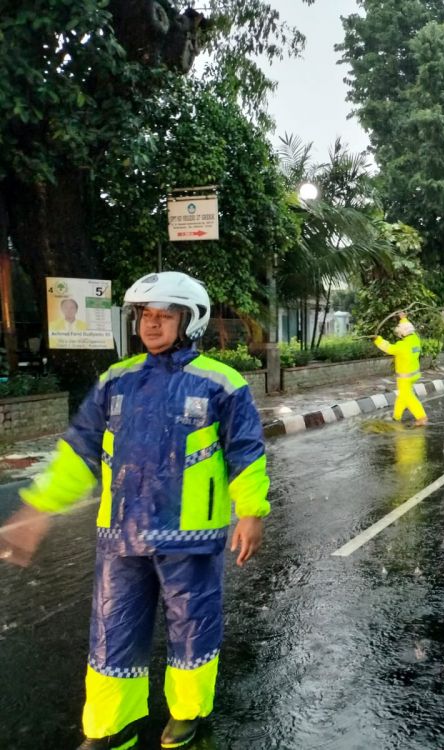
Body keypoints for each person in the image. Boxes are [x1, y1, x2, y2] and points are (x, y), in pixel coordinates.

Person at [0, 271, 270, 750]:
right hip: (120, 534)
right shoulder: (115, 381)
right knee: (112, 627)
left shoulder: (220, 383)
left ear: (190, 322)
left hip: (189, 534)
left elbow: (245, 451)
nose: (152, 324)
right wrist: (38, 506)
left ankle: (187, 712)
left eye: (165, 316)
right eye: (146, 315)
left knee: (192, 623)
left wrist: (250, 511)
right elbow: (79, 450)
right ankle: (110, 723)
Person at [375, 316, 427, 425]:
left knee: (408, 397)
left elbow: (388, 348)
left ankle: (421, 417)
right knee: (402, 396)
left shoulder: (402, 346)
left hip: (405, 377)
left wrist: (377, 340)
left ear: (403, 333)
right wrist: (403, 318)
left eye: (400, 333)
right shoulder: (415, 339)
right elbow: (407, 327)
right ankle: (396, 416)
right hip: (414, 374)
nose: (399, 335)